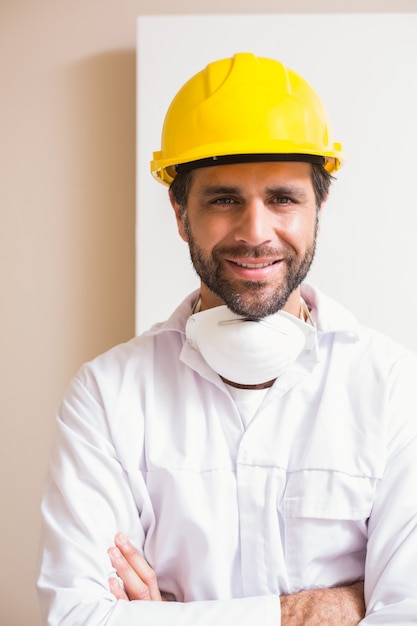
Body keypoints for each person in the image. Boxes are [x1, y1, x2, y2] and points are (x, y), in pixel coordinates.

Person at [37, 52, 417, 625]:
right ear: (179, 210)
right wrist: (320, 609)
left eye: (283, 198)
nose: (255, 232)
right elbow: (78, 617)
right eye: (223, 199)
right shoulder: (108, 395)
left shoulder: (392, 389)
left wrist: (174, 617)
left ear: (320, 206)